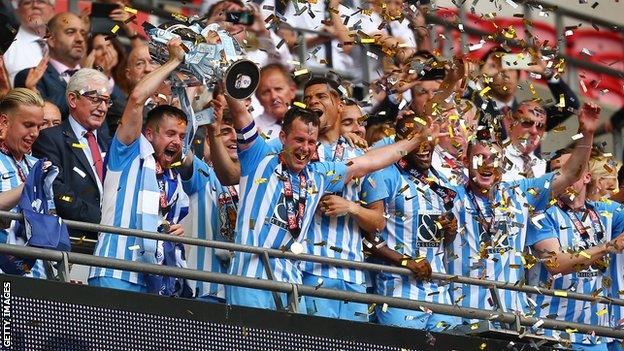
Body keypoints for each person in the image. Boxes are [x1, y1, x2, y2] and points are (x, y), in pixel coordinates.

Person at [224, 88, 437, 311]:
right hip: (249, 279)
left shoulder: (318, 175)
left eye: (311, 142)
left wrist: (416, 141)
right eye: (298, 140)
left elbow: (370, 161)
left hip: (292, 285)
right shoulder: (258, 159)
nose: (305, 148)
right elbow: (239, 111)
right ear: (282, 138)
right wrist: (235, 83)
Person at [446, 102, 601, 322]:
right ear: (465, 161)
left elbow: (570, 175)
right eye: (479, 158)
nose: (487, 166)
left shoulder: (521, 193)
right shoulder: (450, 197)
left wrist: (587, 134)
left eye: (494, 159)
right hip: (459, 316)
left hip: (511, 318)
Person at [88, 39, 189, 292]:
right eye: (169, 134)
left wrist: (172, 230)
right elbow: (136, 98)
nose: (177, 141)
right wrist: (174, 61)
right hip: (114, 272)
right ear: (150, 134)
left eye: (181, 136)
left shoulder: (172, 179)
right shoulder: (129, 152)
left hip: (152, 281)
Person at [366, 111, 460, 331]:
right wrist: (405, 261)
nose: (424, 146)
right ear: (402, 144)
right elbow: (367, 238)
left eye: (427, 138)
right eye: (415, 139)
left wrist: (451, 230)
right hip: (398, 292)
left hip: (439, 293)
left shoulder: (440, 180)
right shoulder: (384, 175)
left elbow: (442, 242)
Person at [527, 151, 624, 350]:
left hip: (596, 336)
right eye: (557, 172)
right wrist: (607, 247)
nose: (564, 176)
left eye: (572, 169)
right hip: (551, 333)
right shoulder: (540, 214)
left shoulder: (607, 212)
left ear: (587, 177)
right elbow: (556, 264)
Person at [32, 68, 111, 253]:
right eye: (95, 99)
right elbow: (56, 190)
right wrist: (105, 220)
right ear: (73, 99)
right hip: (71, 244)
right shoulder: (49, 138)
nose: (102, 108)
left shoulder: (109, 144)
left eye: (106, 101)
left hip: (107, 246)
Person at [179, 98, 239, 303]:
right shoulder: (203, 173)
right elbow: (182, 154)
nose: (234, 138)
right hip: (203, 291)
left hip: (240, 296)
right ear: (208, 141)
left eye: (238, 132)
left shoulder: (255, 183)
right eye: (226, 131)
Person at [466, 47, 579, 135]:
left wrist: (547, 72)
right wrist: (480, 76)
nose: (505, 74)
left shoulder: (531, 115)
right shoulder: (476, 108)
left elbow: (571, 104)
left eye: (510, 68)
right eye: (495, 67)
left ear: (519, 75)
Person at [0, 88, 46, 277]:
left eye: (38, 126)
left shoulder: (38, 165)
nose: (34, 133)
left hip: (37, 276)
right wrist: (29, 186)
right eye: (28, 125)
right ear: (4, 122)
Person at [14, 12, 87, 118]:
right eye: (70, 32)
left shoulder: (94, 75)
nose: (80, 39)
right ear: (52, 40)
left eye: (83, 33)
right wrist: (85, 85)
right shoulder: (30, 77)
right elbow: (45, 115)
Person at [3, 0, 54, 87]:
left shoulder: (64, 44)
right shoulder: (6, 44)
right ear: (17, 10)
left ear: (52, 9)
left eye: (41, 1)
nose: (35, 6)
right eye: (27, 2)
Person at [501, 100, 548, 181]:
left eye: (540, 126)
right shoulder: (493, 156)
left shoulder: (544, 167)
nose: (534, 131)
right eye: (527, 122)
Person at [254, 63, 296, 139]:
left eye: (278, 89)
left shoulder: (308, 122)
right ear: (258, 97)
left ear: (292, 90)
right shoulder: (252, 130)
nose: (273, 96)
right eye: (266, 92)